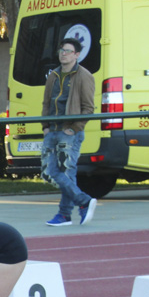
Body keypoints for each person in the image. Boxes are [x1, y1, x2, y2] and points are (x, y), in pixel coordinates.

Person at [42, 37, 97, 227]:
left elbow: (88, 108)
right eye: (61, 50)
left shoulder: (84, 76)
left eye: (67, 51)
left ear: (76, 55)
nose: (63, 54)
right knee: (49, 172)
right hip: (52, 131)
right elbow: (46, 102)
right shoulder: (53, 75)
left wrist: (74, 128)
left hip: (69, 133)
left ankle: (64, 215)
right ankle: (83, 201)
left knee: (66, 172)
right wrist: (45, 127)